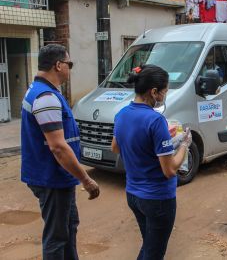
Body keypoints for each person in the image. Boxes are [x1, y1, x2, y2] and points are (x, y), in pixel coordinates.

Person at [20, 44, 100, 260]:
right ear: (58, 65)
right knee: (57, 237)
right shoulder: (45, 97)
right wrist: (86, 179)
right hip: (51, 177)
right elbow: (58, 147)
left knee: (68, 227)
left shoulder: (43, 91)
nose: (69, 68)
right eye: (69, 64)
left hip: (57, 176)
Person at [111, 64, 192, 260]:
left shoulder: (121, 114)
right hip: (157, 198)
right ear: (154, 91)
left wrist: (146, 148)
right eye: (165, 91)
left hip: (133, 194)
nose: (165, 95)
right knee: (154, 252)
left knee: (149, 245)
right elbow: (170, 170)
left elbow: (115, 147)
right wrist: (184, 145)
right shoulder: (156, 121)